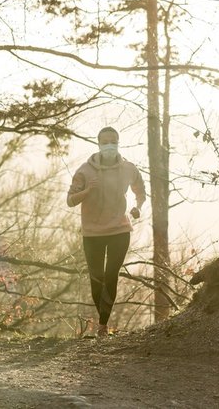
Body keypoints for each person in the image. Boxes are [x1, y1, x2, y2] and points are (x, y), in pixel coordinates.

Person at [67, 126, 146, 337]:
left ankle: (103, 325)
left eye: (113, 140)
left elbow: (141, 192)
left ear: (118, 142)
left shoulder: (129, 168)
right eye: (105, 141)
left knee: (111, 275)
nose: (109, 144)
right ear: (99, 144)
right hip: (92, 233)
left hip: (120, 230)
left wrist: (138, 207)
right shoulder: (85, 171)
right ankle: (102, 321)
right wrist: (88, 190)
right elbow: (70, 200)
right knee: (97, 278)